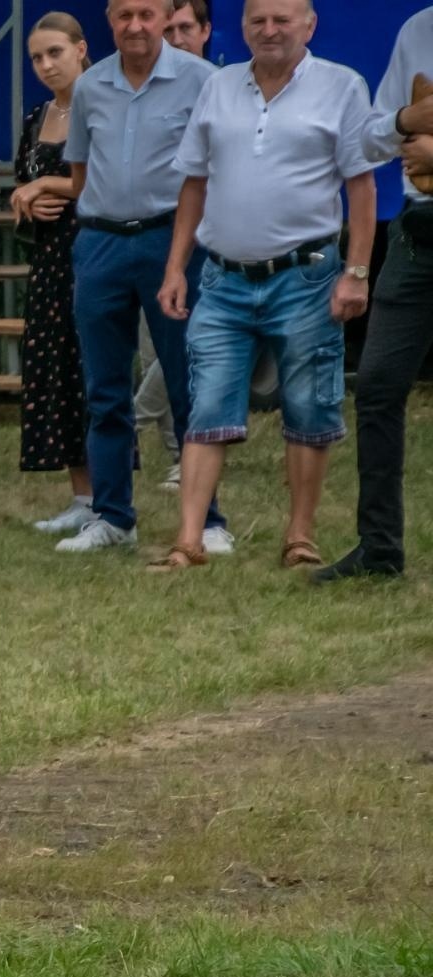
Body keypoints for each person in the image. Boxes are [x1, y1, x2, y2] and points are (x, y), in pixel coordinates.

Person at [150, 0, 374, 571]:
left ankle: (299, 537)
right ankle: (189, 542)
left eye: (282, 20)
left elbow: (361, 186)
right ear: (242, 26)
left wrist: (356, 271)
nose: (269, 30)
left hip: (305, 276)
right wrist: (177, 267)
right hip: (222, 277)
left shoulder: (341, 87)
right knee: (207, 405)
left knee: (308, 407)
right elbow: (194, 184)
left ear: (309, 25)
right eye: (258, 21)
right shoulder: (219, 86)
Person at [57, 0, 231, 553]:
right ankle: (112, 517)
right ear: (109, 18)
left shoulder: (202, 81)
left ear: (165, 17)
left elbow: (213, 172)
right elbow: (80, 171)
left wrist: (182, 253)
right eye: (124, 14)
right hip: (101, 241)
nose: (135, 25)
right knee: (105, 388)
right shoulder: (90, 86)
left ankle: (206, 521)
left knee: (189, 383)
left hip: (171, 241)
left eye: (147, 14)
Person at [315, 4, 433, 582]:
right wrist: (410, 116)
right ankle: (379, 549)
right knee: (379, 387)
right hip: (417, 236)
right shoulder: (417, 30)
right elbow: (368, 140)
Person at [10, 13, 94, 534]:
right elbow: (25, 181)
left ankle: (110, 494)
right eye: (37, 57)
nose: (46, 65)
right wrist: (30, 202)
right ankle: (81, 496)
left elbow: (102, 179)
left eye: (55, 53)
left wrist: (45, 189)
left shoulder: (102, 104)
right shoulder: (38, 115)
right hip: (47, 261)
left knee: (92, 374)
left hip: (91, 252)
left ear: (81, 49)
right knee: (55, 374)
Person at [135, 0, 215, 491]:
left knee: (186, 347)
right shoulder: (146, 86)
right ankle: (177, 454)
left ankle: (138, 419)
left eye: (187, 27)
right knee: (154, 348)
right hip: (154, 228)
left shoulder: (216, 85)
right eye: (172, 28)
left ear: (206, 31)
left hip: (209, 235)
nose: (178, 36)